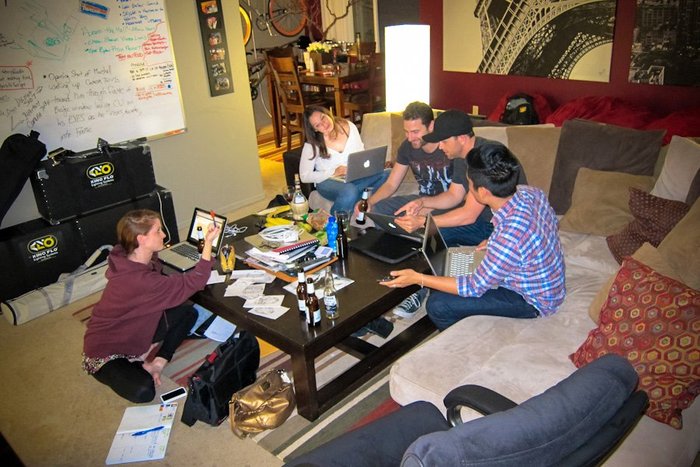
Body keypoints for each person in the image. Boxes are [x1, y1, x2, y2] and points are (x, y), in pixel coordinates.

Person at [380, 142, 565, 331]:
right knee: (448, 267)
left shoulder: (509, 237)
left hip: (530, 299)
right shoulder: (531, 193)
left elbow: (473, 287)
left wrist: (418, 278)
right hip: (543, 279)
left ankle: (459, 335)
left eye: (469, 185)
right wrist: (494, 243)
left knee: (438, 304)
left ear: (483, 192)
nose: (468, 190)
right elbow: (550, 225)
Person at [389, 109, 527, 318]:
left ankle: (427, 286)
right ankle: (424, 287)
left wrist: (424, 222)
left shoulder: (484, 159)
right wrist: (422, 202)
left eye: (444, 141)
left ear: (461, 138)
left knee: (436, 233)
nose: (440, 146)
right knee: (434, 235)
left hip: (497, 227)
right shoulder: (463, 156)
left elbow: (468, 215)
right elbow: (454, 196)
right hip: (490, 224)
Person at [82, 209, 220, 403]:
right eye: (158, 231)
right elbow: (195, 281)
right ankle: (136, 362)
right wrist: (208, 244)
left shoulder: (128, 256)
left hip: (135, 328)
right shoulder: (141, 281)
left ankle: (159, 361)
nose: (164, 234)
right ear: (141, 239)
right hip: (105, 352)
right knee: (144, 391)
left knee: (187, 313)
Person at [361, 101, 453, 216]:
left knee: (410, 217)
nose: (410, 138)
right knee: (379, 209)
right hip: (420, 200)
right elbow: (391, 184)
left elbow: (458, 196)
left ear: (431, 126)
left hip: (448, 203)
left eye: (415, 132)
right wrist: (369, 202)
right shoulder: (407, 147)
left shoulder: (450, 147)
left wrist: (423, 211)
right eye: (406, 132)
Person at [299, 105, 389, 214]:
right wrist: (334, 172)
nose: (324, 124)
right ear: (315, 129)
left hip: (354, 176)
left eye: (323, 117)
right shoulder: (312, 145)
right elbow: (304, 176)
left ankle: (359, 201)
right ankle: (336, 220)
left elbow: (360, 154)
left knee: (388, 173)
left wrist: (372, 166)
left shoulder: (349, 126)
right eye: (318, 125)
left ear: (327, 113)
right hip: (328, 181)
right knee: (349, 190)